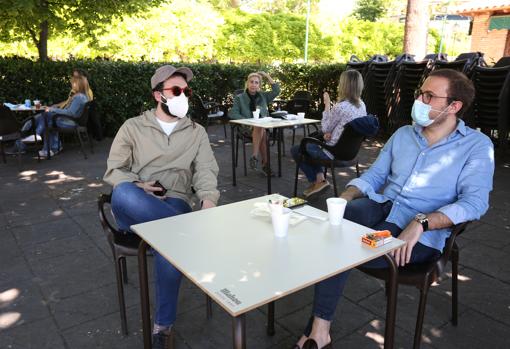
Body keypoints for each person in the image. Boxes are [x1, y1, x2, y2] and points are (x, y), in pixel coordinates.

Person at [295, 68, 494, 349]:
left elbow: (475, 203)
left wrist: (422, 222)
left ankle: (317, 331)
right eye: (420, 93)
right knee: (333, 225)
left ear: (454, 106)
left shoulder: (476, 146)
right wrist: (348, 197)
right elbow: (375, 175)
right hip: (381, 207)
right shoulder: (403, 134)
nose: (420, 101)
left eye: (429, 96)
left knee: (342, 245)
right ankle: (320, 329)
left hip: (419, 233)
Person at [103, 65, 219, 349]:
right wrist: (137, 184)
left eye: (186, 91)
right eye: (176, 91)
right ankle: (188, 237)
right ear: (158, 95)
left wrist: (208, 202)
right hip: (136, 203)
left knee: (170, 244)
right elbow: (114, 170)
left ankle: (162, 327)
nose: (183, 96)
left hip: (176, 201)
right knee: (123, 192)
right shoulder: (132, 127)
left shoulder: (196, 132)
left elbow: (205, 170)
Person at [291, 69, 366, 198]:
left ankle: (318, 181)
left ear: (344, 85)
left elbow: (325, 128)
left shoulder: (341, 107)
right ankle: (320, 180)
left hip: (334, 154)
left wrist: (326, 105)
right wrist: (330, 134)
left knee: (299, 149)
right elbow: (343, 127)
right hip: (351, 153)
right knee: (312, 145)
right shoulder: (362, 105)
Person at [12, 74, 91, 157]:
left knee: (44, 118)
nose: (71, 84)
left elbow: (70, 113)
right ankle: (48, 146)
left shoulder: (79, 97)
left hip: (71, 122)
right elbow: (68, 110)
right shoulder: (79, 95)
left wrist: (53, 109)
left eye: (73, 83)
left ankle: (32, 139)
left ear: (78, 84)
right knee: (43, 118)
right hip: (68, 120)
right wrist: (53, 109)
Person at [229, 71, 280, 176]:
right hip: (246, 128)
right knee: (261, 131)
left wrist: (266, 76)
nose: (253, 84)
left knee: (261, 130)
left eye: (256, 83)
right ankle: (264, 164)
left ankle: (255, 157)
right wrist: (248, 121)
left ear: (259, 85)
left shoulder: (263, 96)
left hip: (262, 127)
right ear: (247, 84)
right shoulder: (240, 98)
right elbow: (233, 113)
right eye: (251, 82)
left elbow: (276, 90)